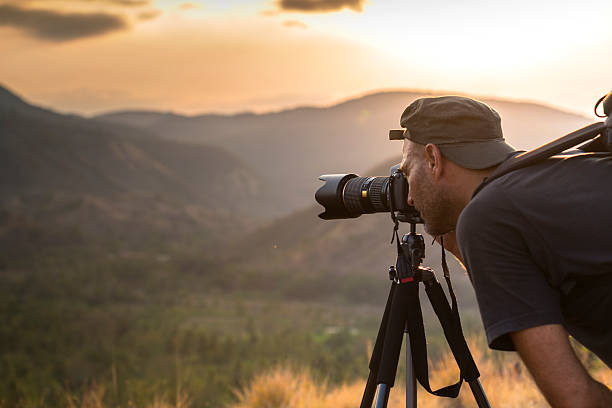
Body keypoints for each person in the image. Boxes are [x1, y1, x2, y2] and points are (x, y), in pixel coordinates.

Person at [396, 96, 612, 407]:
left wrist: (470, 227)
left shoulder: (489, 217)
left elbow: (578, 400)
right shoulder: (558, 172)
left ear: (433, 158)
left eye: (407, 173)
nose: (410, 197)